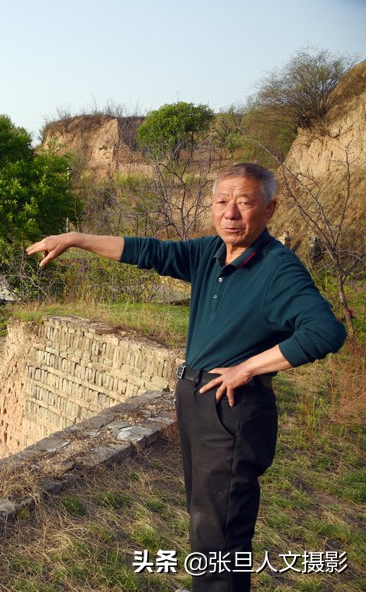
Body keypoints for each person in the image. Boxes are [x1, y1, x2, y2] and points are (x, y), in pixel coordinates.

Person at [26, 163, 346, 592]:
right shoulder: (210, 252)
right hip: (196, 400)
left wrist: (248, 367)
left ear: (269, 209)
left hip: (233, 410)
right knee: (205, 514)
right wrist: (77, 239)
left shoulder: (278, 268)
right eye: (221, 202)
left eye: (245, 203)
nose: (230, 213)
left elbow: (325, 331)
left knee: (222, 527)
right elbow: (148, 251)